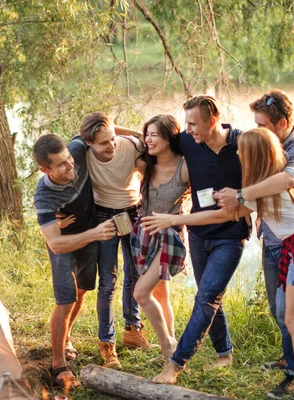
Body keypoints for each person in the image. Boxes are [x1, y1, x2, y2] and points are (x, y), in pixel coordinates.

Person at [143, 128, 294, 400]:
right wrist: (175, 220)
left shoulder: (260, 189)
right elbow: (224, 214)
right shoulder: (276, 178)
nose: (238, 153)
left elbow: (223, 213)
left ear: (253, 156)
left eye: (242, 150)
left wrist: (175, 219)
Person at [145, 95, 251, 384]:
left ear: (213, 120)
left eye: (193, 123)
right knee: (210, 295)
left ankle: (175, 365)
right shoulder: (189, 141)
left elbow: (276, 154)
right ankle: (224, 353)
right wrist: (116, 134)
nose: (187, 129)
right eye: (186, 124)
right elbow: (159, 138)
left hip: (230, 235)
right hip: (198, 233)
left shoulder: (243, 143)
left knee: (205, 299)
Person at [215, 89, 294, 398]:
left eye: (262, 125)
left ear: (282, 123)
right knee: (277, 309)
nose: (255, 130)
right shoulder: (262, 143)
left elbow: (288, 180)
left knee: (292, 315)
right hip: (271, 238)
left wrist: (242, 195)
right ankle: (291, 358)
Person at [32, 133, 116, 389]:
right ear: (45, 169)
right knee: (65, 299)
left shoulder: (77, 150)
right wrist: (96, 233)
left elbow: (102, 129)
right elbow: (55, 244)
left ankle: (66, 337)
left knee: (81, 292)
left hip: (89, 234)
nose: (71, 166)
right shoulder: (44, 196)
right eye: (61, 164)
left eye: (69, 159)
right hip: (66, 243)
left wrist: (135, 134)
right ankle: (58, 364)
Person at [79, 112, 150, 370]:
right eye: (103, 143)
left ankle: (133, 330)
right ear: (89, 143)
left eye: (112, 139)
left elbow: (153, 142)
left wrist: (126, 133)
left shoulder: (130, 145)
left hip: (133, 212)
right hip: (104, 216)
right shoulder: (81, 153)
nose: (110, 146)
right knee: (108, 281)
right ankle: (107, 345)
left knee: (136, 273)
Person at [130, 115, 189, 362]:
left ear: (169, 137)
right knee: (160, 293)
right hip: (145, 236)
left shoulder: (185, 167)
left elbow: (210, 186)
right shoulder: (146, 164)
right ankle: (172, 342)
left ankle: (167, 350)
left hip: (170, 238)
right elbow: (119, 135)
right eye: (147, 134)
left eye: (155, 134)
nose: (148, 139)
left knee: (141, 293)